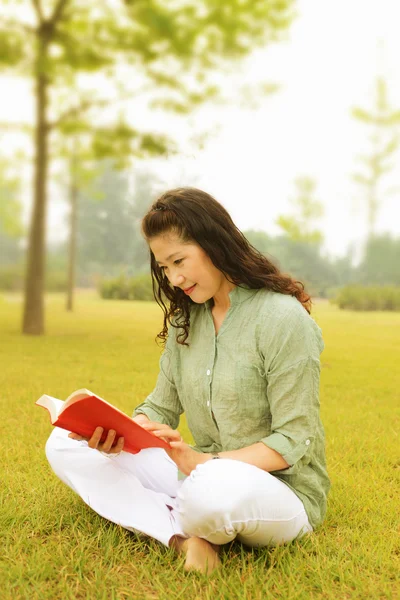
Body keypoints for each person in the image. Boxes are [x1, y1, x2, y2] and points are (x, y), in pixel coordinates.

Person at [45, 187, 330, 574]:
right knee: (63, 445)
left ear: (214, 243)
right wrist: (118, 434)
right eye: (164, 267)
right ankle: (181, 538)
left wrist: (206, 462)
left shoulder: (282, 319)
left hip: (276, 489)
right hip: (194, 472)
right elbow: (159, 407)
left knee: (210, 494)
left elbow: (294, 440)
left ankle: (184, 512)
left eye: (179, 260)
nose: (175, 278)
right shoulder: (187, 321)